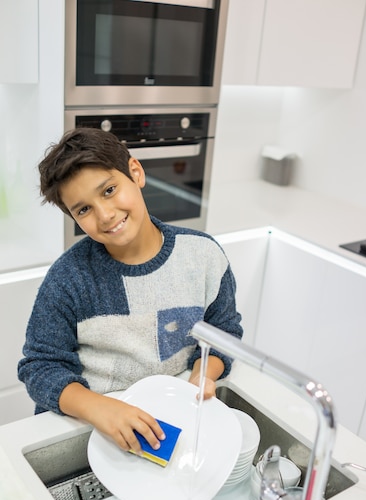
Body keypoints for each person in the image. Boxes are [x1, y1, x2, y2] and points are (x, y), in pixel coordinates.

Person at [18, 127, 243, 454]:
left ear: (135, 172)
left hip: (171, 423)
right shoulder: (69, 278)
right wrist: (100, 409)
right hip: (91, 432)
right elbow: (39, 368)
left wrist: (203, 375)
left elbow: (223, 330)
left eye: (109, 190)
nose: (105, 215)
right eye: (83, 209)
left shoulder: (204, 256)